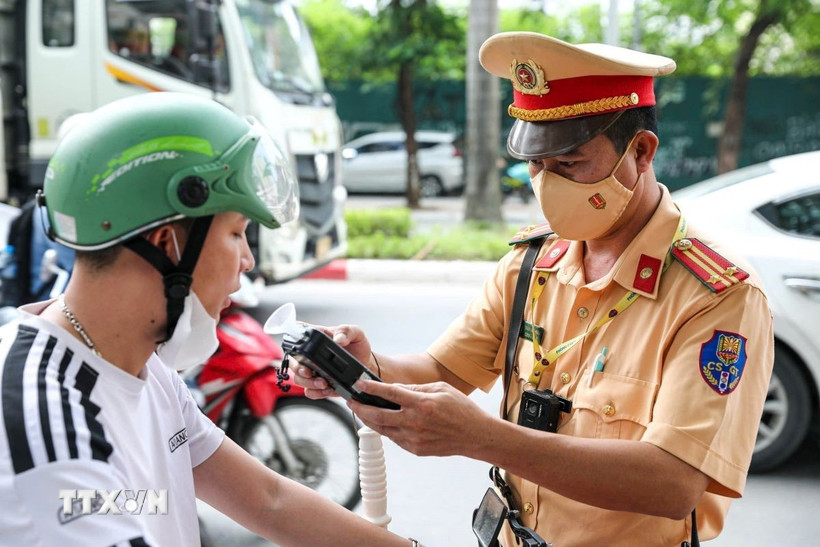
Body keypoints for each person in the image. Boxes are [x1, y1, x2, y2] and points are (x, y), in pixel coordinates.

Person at [295, 32, 774, 546]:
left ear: (640, 151)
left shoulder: (716, 296)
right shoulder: (531, 264)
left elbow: (673, 483)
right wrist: (366, 367)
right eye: (536, 165)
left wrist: (484, 438)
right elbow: (442, 371)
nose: (548, 184)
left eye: (569, 164)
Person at [0, 93, 418, 546]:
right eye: (237, 233)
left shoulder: (145, 368)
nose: (248, 260)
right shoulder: (48, 420)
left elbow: (270, 500)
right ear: (166, 244)